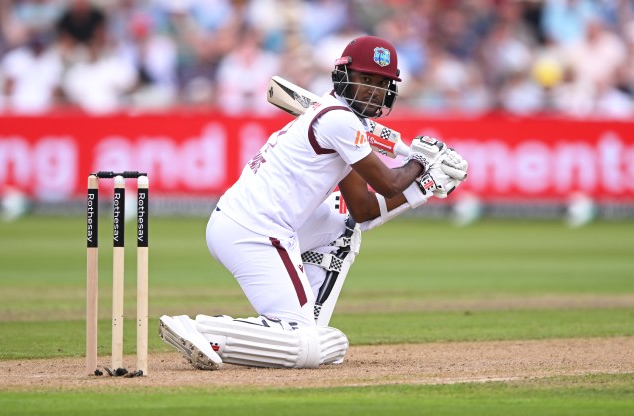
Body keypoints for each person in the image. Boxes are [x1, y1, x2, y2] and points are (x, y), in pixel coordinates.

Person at [159, 35, 468, 370]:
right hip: (254, 231)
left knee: (343, 229)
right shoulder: (338, 120)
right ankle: (208, 330)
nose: (373, 90)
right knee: (305, 348)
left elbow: (362, 211)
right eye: (366, 79)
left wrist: (426, 186)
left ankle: (307, 328)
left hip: (255, 224)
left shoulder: (343, 124)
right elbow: (388, 182)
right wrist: (421, 161)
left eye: (382, 83)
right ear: (343, 76)